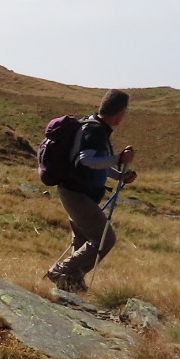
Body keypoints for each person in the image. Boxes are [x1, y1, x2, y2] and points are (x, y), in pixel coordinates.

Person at [45, 89, 138, 293]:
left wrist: (119, 176)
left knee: (82, 240)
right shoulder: (95, 131)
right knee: (105, 238)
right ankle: (61, 271)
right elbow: (85, 160)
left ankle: (71, 284)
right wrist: (119, 159)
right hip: (76, 193)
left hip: (74, 191)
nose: (124, 116)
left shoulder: (94, 126)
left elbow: (96, 163)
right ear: (119, 112)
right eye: (125, 111)